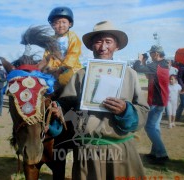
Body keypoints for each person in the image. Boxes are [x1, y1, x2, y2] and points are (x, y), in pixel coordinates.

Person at [57, 21, 150, 179]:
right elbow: (65, 109)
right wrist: (57, 110)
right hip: (88, 151)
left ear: (116, 46)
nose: (103, 47)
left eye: (108, 41)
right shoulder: (80, 75)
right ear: (92, 46)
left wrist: (126, 111)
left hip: (120, 148)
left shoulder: (130, 74)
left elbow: (143, 111)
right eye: (98, 41)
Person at [133, 45, 169, 164]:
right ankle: (156, 153)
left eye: (152, 53)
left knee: (149, 127)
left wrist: (139, 59)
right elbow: (149, 75)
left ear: (156, 54)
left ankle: (162, 153)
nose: (151, 55)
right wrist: (144, 61)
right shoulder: (163, 64)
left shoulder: (155, 65)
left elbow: (137, 68)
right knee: (155, 127)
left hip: (156, 100)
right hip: (161, 99)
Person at [43, 6, 82, 87]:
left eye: (64, 22)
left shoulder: (72, 36)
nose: (60, 25)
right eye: (56, 23)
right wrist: (48, 67)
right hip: (55, 68)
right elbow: (47, 55)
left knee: (64, 80)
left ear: (70, 24)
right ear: (52, 25)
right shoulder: (51, 40)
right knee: (43, 81)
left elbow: (73, 54)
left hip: (70, 67)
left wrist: (62, 69)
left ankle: (65, 98)